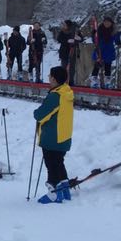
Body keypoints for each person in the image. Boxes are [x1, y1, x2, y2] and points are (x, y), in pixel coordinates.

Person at [33, 65, 74, 203]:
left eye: (50, 76)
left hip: (52, 137)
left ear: (55, 79)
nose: (49, 78)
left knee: (51, 164)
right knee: (58, 163)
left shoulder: (55, 96)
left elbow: (41, 114)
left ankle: (53, 193)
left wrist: (36, 113)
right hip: (64, 136)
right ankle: (64, 189)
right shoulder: (66, 92)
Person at [90, 16, 121, 89]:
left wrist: (118, 36)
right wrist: (93, 35)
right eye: (105, 22)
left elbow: (117, 41)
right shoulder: (99, 30)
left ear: (111, 23)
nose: (106, 24)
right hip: (100, 50)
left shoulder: (113, 31)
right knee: (97, 66)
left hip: (109, 51)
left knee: (108, 67)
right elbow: (95, 40)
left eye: (108, 22)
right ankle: (94, 82)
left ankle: (107, 83)